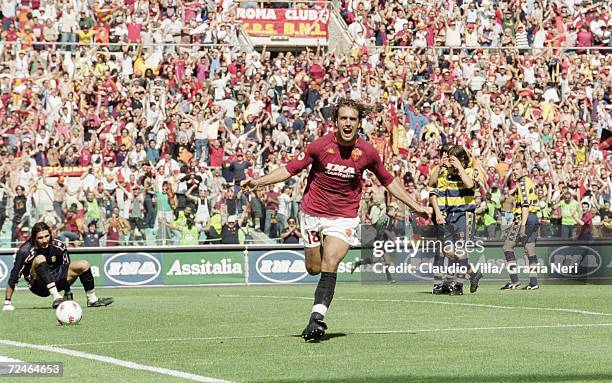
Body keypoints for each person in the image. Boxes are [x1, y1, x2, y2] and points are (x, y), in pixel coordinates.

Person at [242, 98, 430, 341]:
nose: (348, 123)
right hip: (312, 213)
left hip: (343, 217)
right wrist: (258, 181)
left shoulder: (368, 152)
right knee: (313, 268)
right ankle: (319, 247)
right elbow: (290, 168)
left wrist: (415, 206)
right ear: (336, 121)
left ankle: (316, 319)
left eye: (353, 119)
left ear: (359, 122)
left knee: (330, 262)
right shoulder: (320, 146)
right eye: (344, 118)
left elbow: (389, 181)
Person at [3, 222, 113, 311]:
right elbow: (14, 277)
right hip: (38, 285)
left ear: (50, 234)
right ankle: (56, 297)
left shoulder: (59, 246)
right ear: (34, 238)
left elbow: (65, 268)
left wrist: (67, 292)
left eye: (47, 236)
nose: (44, 240)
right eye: (40, 237)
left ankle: (92, 300)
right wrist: (7, 302)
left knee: (84, 264)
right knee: (40, 258)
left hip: (56, 279)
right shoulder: (24, 251)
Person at [437, 145, 483, 295]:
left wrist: (460, 168)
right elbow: (435, 187)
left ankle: (459, 286)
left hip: (464, 214)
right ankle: (473, 273)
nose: (451, 162)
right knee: (450, 252)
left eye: (453, 159)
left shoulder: (469, 171)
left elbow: (470, 185)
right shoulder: (447, 173)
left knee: (461, 251)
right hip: (450, 215)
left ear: (461, 159)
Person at [501, 161, 540, 290]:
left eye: (517, 169)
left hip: (525, 218)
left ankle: (514, 280)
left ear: (524, 170)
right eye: (513, 169)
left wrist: (522, 224)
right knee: (530, 249)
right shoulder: (529, 182)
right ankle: (533, 283)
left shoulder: (522, 183)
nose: (514, 172)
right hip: (534, 217)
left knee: (507, 246)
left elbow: (525, 205)